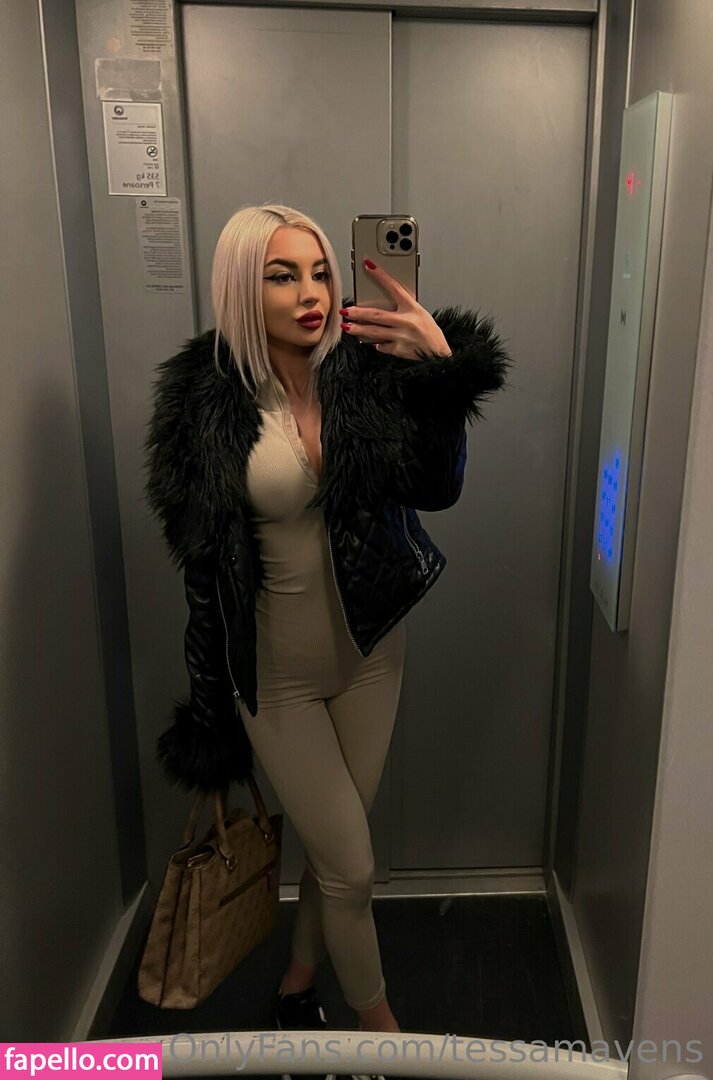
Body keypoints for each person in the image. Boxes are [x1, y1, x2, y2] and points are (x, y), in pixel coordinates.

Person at [143, 203, 510, 1053]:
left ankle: (299, 980)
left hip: (372, 651)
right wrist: (210, 712)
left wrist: (438, 376)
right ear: (241, 286)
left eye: (318, 272)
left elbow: (434, 491)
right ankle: (381, 1033)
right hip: (277, 679)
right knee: (352, 865)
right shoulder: (203, 407)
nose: (310, 294)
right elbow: (204, 581)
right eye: (282, 276)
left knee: (331, 850)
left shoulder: (362, 370)